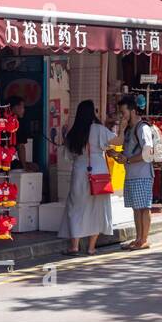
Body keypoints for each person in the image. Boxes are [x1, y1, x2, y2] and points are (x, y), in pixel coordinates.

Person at [59, 99, 120, 256]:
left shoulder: (73, 132)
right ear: (93, 112)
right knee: (97, 209)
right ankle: (91, 247)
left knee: (75, 208)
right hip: (98, 172)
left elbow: (68, 156)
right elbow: (118, 141)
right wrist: (124, 125)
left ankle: (74, 246)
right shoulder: (99, 129)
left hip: (79, 171)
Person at [113, 94, 157, 251]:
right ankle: (138, 239)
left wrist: (129, 161)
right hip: (132, 174)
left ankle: (144, 239)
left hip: (142, 174)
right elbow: (129, 153)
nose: (121, 116)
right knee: (136, 208)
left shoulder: (142, 128)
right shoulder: (129, 130)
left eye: (123, 112)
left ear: (132, 111)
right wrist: (120, 157)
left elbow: (148, 153)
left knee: (144, 207)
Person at [6, 95, 39, 172]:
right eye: (22, 107)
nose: (24, 110)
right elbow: (21, 147)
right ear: (16, 107)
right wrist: (24, 167)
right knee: (35, 167)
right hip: (7, 162)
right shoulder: (16, 123)